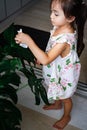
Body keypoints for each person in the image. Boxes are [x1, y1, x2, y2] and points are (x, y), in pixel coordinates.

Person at [15, 0, 87, 129]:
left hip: (64, 75)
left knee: (66, 98)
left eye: (56, 14)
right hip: (55, 68)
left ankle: (66, 116)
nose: (51, 16)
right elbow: (50, 52)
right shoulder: (59, 27)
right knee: (55, 88)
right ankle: (57, 104)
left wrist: (29, 41)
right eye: (51, 12)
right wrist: (42, 56)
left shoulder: (65, 40)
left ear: (70, 18)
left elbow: (47, 59)